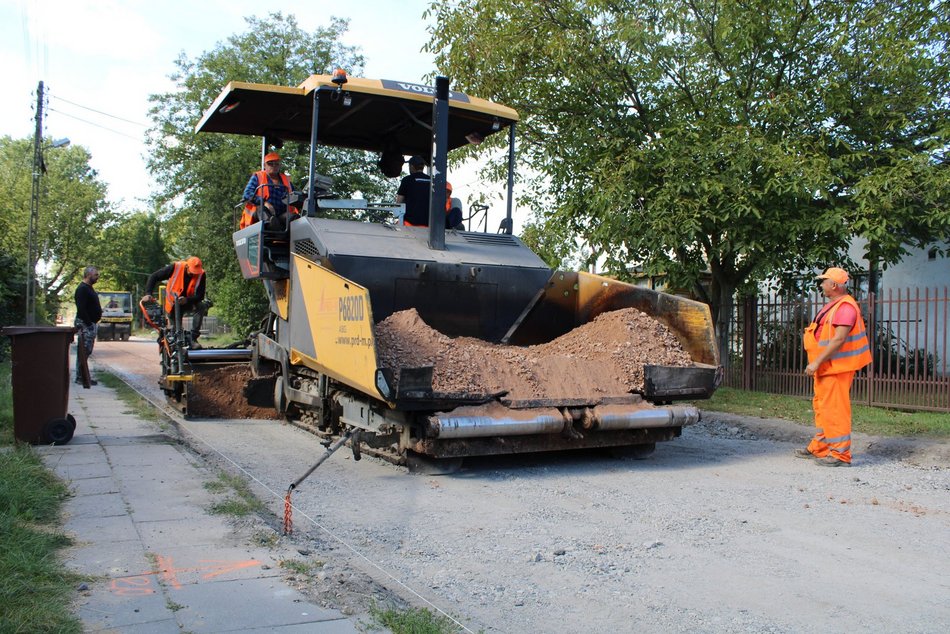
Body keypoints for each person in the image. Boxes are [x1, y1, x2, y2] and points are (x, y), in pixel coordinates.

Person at [797, 267, 872, 466]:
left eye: (824, 281)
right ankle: (821, 447)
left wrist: (816, 362)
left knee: (835, 410)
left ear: (834, 285)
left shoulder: (845, 308)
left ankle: (840, 455)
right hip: (828, 367)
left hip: (836, 367)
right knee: (823, 408)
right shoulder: (835, 305)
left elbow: (838, 340)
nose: (821, 285)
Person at [141, 257, 208, 349]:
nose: (193, 274)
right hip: (172, 305)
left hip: (188, 302)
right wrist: (148, 294)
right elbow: (154, 276)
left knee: (201, 306)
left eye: (195, 272)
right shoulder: (176, 267)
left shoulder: (201, 274)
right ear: (187, 267)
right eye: (192, 272)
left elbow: (200, 296)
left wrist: (187, 300)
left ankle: (193, 338)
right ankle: (176, 351)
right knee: (176, 332)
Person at [395, 155, 462, 228]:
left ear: (411, 166)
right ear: (423, 167)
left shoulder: (406, 180)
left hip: (410, 224)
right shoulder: (433, 181)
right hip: (430, 225)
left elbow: (398, 203)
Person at [240, 152, 298, 229]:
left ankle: (278, 228)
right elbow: (247, 194)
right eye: (270, 163)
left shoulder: (286, 180)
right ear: (265, 165)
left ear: (280, 165)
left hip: (280, 214)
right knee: (261, 209)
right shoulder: (258, 176)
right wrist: (264, 202)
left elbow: (294, 195)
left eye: (276, 164)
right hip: (261, 213)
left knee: (295, 218)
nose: (274, 166)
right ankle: (270, 225)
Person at [74, 266, 102, 385]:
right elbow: (81, 308)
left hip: (90, 323)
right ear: (88, 275)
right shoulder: (82, 289)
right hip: (85, 324)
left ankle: (83, 376)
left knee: (87, 351)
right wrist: (89, 323)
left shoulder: (89, 288)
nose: (97, 277)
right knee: (84, 350)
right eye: (96, 275)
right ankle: (81, 377)